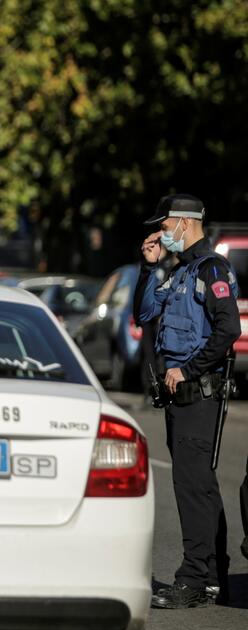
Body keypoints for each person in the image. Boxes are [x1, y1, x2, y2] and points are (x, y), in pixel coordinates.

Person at [134, 194, 240, 608]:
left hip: (199, 394)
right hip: (180, 397)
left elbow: (228, 329)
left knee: (191, 487)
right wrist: (149, 267)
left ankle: (192, 579)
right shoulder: (180, 271)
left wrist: (189, 369)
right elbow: (144, 314)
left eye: (164, 226)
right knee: (202, 487)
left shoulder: (212, 269)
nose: (161, 234)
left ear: (184, 222)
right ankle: (213, 576)